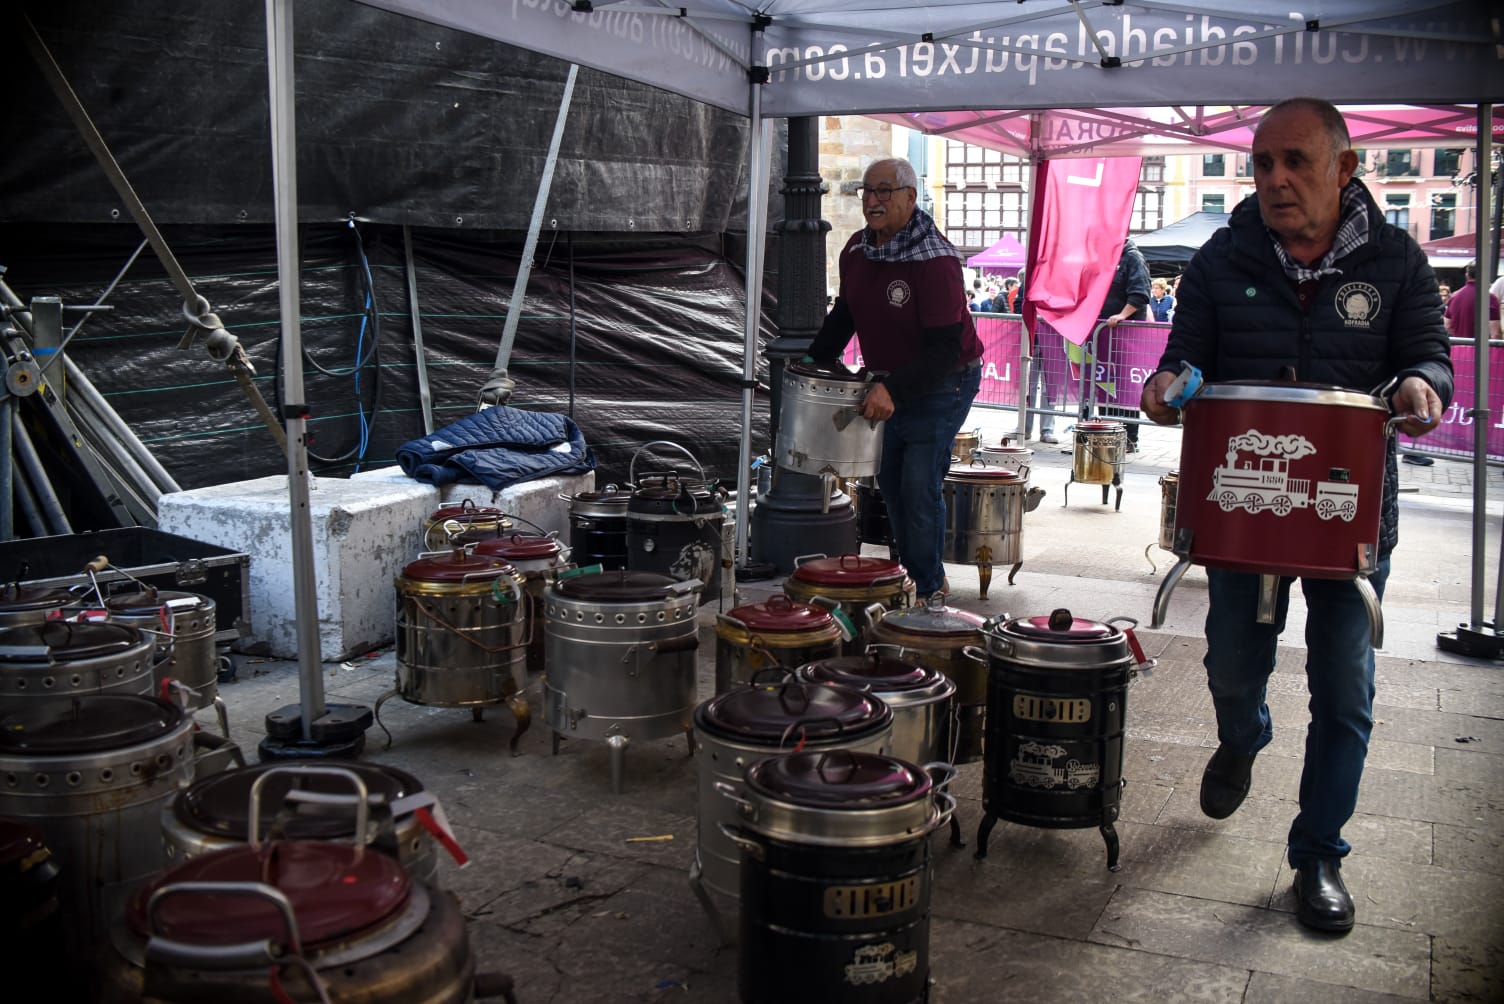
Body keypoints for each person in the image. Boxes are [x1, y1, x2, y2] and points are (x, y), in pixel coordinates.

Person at [1140, 98, 1451, 935]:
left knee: (1344, 692)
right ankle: (1243, 735)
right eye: (1263, 162)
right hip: (1247, 515)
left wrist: (1424, 385)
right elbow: (1184, 358)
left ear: (1345, 169)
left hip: (1349, 524)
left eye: (1296, 162)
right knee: (1231, 667)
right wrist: (1167, 388)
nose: (1275, 180)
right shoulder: (1221, 257)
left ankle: (1318, 855)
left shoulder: (1396, 262)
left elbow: (1428, 355)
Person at [807, 156, 982, 604]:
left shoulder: (936, 260)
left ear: (910, 197)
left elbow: (945, 348)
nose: (873, 200)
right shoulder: (856, 251)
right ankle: (914, 576)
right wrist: (812, 361)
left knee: (918, 484)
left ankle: (926, 590)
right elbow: (845, 314)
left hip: (945, 382)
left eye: (884, 191)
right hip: (889, 380)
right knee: (890, 483)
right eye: (867, 191)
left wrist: (894, 390)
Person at [1097, 238, 1152, 451]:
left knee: (1125, 387)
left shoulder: (1132, 257)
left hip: (1126, 335)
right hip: (1106, 335)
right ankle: (1107, 432)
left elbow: (1140, 293)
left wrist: (1121, 315)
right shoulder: (1107, 258)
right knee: (1105, 384)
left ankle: (1129, 438)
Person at [1443, 261, 1501, 341]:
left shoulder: (1454, 297)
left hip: (1458, 350)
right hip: (1481, 351)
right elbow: (1495, 334)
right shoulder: (1490, 298)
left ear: (1467, 275)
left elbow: (1446, 326)